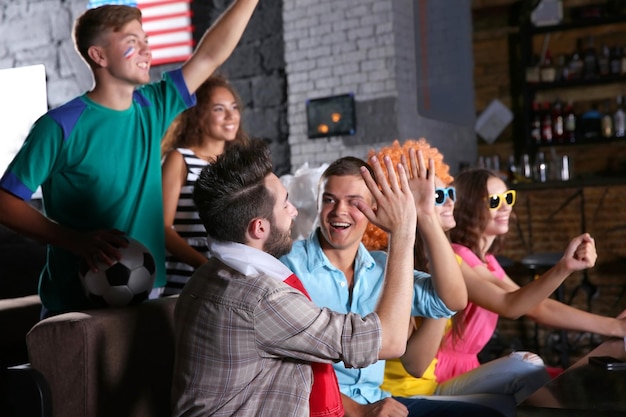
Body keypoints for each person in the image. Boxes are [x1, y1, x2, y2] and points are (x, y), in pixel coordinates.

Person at [0, 1, 259, 316]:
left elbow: (210, 55)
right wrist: (76, 241)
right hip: (76, 305)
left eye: (146, 42)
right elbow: (5, 201)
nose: (146, 52)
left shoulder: (153, 107)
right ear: (99, 56)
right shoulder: (59, 126)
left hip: (151, 293)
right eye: (132, 44)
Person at [171, 137, 427, 417]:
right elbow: (388, 341)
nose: (293, 211)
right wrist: (403, 233)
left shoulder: (210, 273)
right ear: (259, 228)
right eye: (285, 205)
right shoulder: (262, 298)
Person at [279, 152, 505, 417]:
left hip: (380, 401)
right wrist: (361, 411)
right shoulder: (290, 265)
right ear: (318, 204)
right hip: (323, 407)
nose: (339, 211)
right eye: (329, 200)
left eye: (354, 202)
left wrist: (425, 215)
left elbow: (452, 300)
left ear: (376, 208)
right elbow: (289, 368)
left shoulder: (383, 266)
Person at [365, 140, 555, 417]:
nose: (451, 201)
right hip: (403, 396)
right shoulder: (389, 267)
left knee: (527, 364)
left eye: (448, 192)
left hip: (433, 388)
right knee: (513, 388)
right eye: (437, 197)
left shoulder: (450, 259)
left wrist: (566, 266)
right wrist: (439, 290)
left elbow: (511, 303)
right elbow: (416, 365)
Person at [160, 74, 249, 295]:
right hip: (187, 282)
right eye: (219, 109)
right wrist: (206, 267)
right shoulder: (179, 159)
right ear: (198, 115)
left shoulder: (240, 163)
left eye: (234, 107)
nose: (231, 116)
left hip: (233, 284)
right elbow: (162, 229)